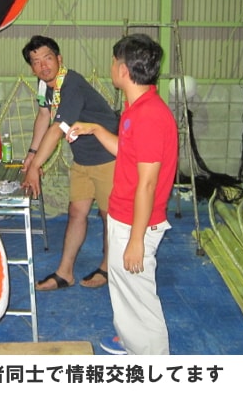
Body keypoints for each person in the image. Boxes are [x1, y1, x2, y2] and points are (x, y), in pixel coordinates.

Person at [67, 33, 178, 355]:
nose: (111, 67)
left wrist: (137, 240)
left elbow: (148, 184)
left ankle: (152, 360)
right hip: (124, 215)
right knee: (125, 288)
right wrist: (96, 129)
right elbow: (127, 151)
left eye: (114, 62)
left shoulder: (149, 116)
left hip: (135, 222)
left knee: (139, 296)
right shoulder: (135, 108)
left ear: (123, 70)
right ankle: (132, 341)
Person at [20, 35, 119, 291]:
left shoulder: (71, 84)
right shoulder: (44, 86)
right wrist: (32, 153)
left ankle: (107, 268)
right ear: (32, 68)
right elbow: (44, 116)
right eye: (36, 62)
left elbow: (56, 130)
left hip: (108, 158)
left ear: (59, 59)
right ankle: (65, 273)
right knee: (76, 212)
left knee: (109, 216)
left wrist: (35, 168)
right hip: (82, 158)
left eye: (47, 58)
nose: (43, 66)